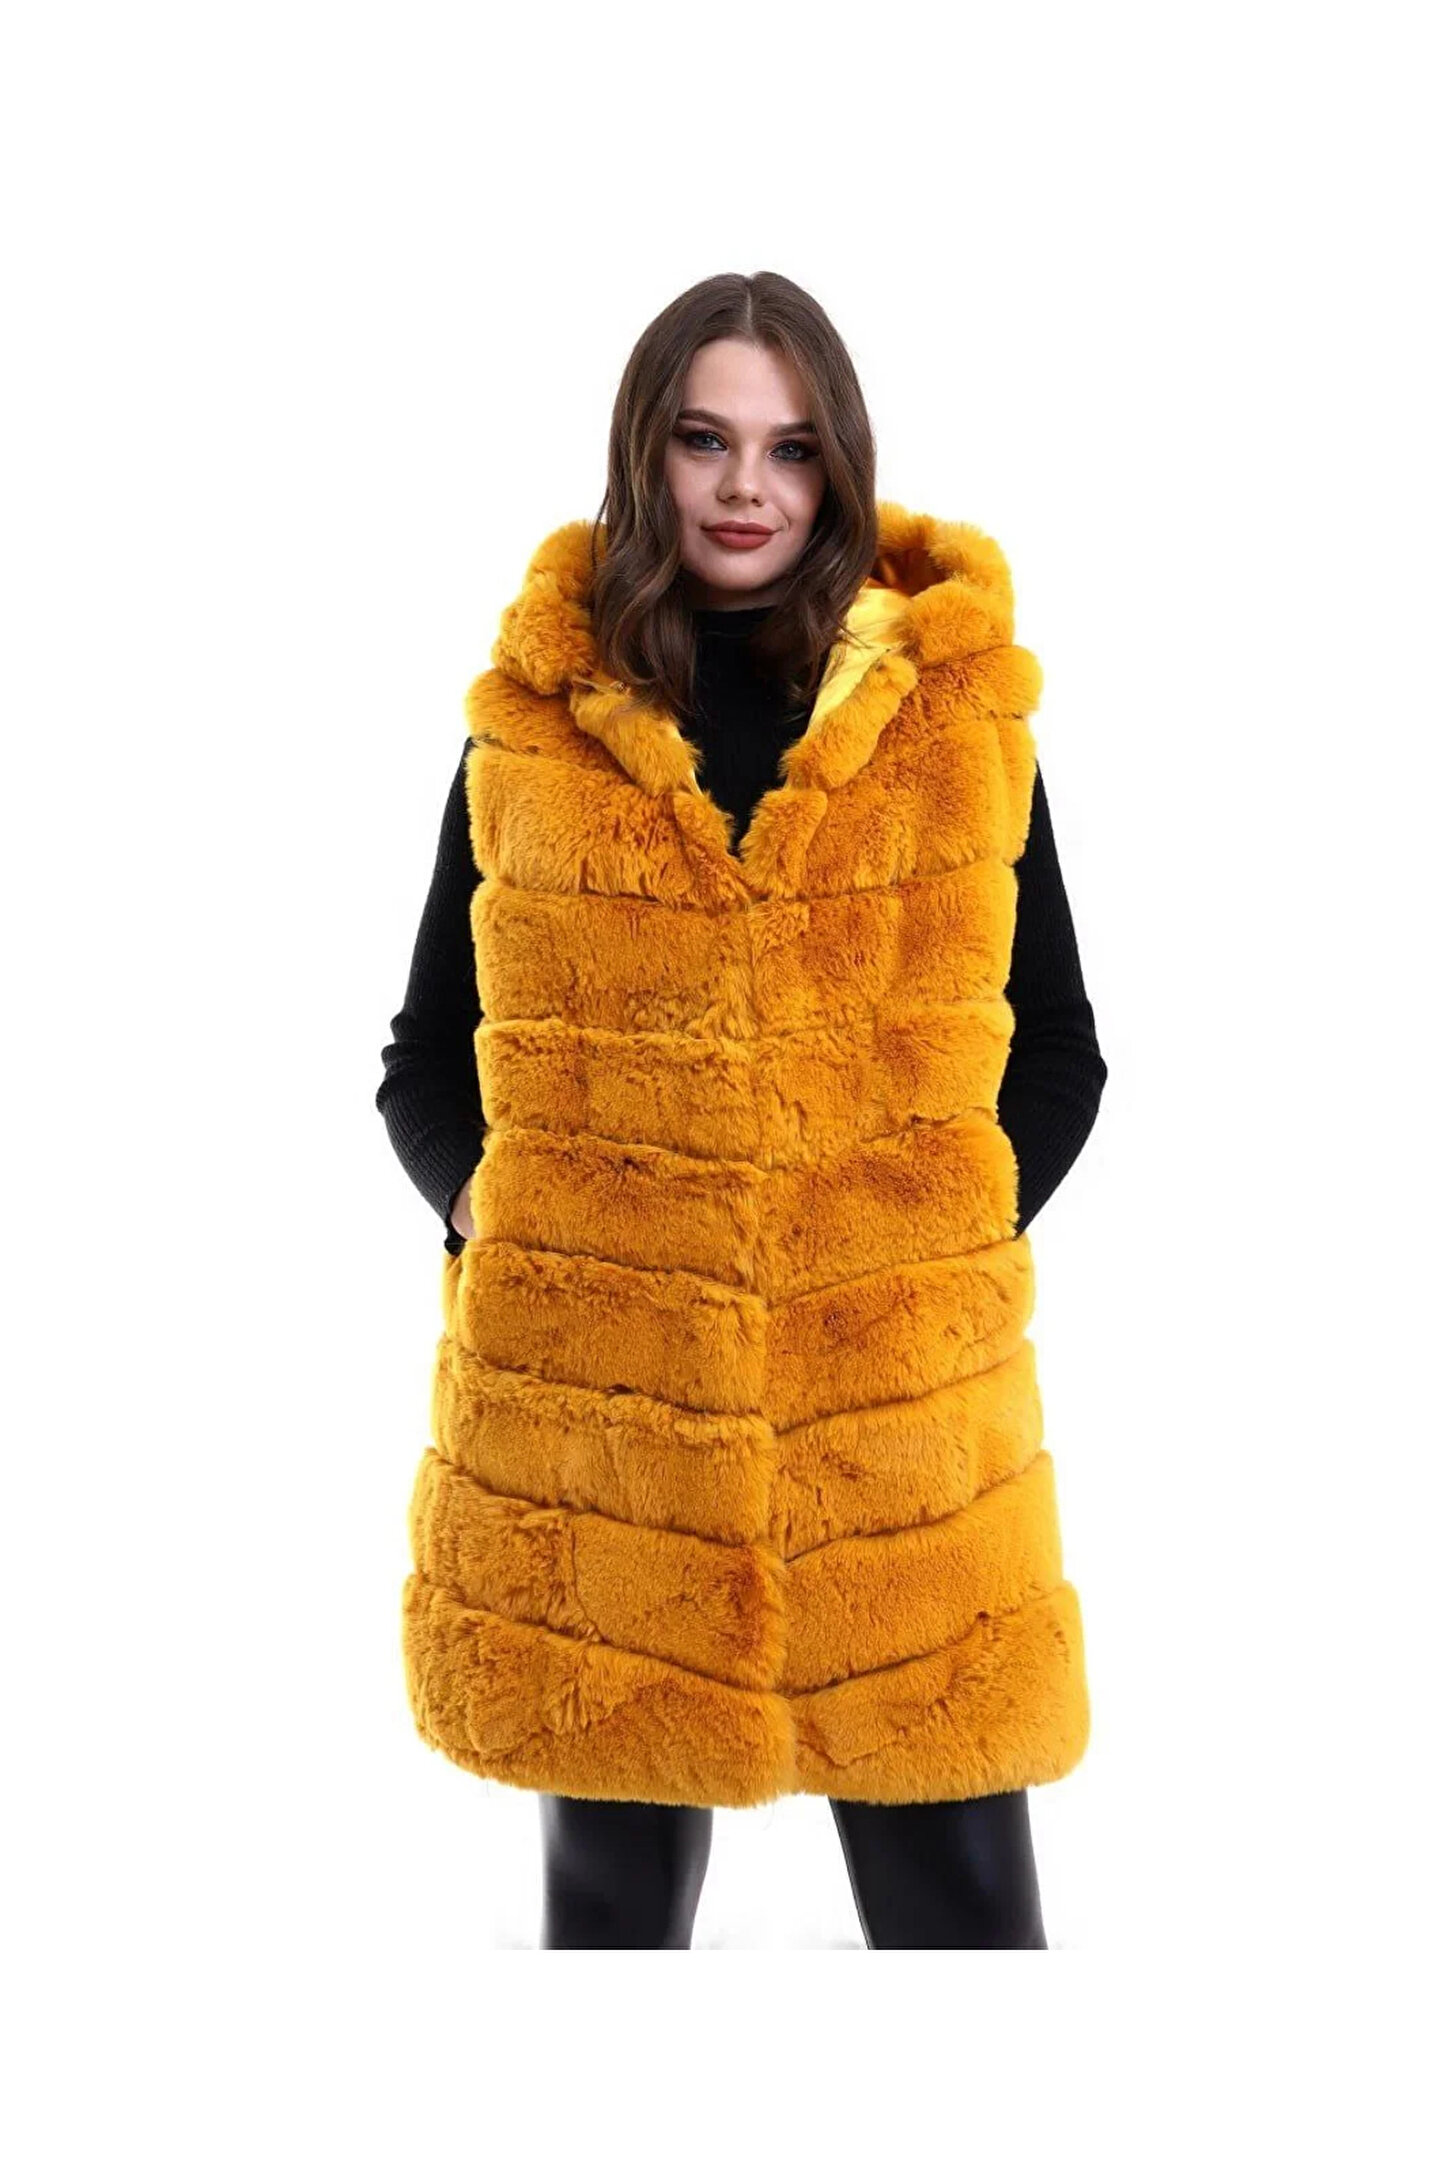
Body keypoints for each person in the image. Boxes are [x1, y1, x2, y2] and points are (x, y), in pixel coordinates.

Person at [377, 272, 1107, 1948]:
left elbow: (1060, 1049)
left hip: (904, 1445)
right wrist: (509, 1223)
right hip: (606, 1448)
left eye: (789, 449)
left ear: (840, 467)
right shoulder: (533, 738)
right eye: (705, 440)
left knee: (969, 1943)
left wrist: (936, 1249)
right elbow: (426, 1057)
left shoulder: (953, 723)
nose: (745, 487)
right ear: (647, 453)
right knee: (612, 1947)